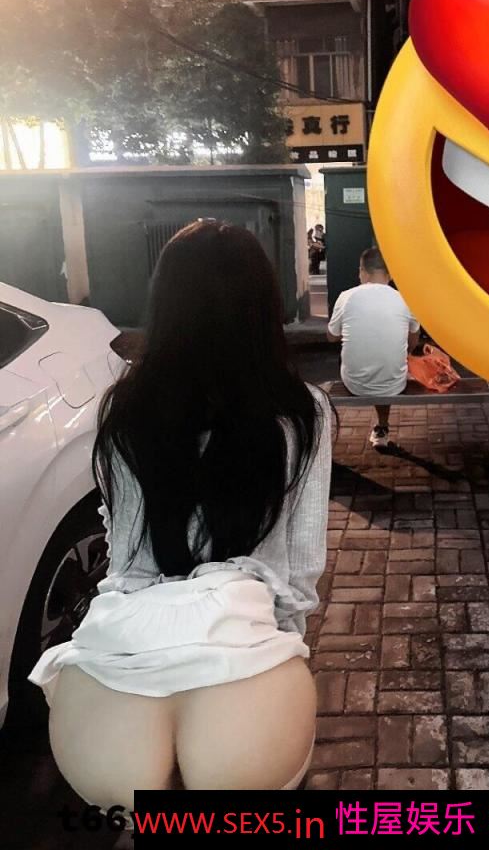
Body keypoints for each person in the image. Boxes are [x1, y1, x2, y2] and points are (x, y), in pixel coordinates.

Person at [28, 221, 333, 807]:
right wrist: (281, 664)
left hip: (111, 687)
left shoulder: (123, 410)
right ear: (263, 311)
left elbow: (124, 561)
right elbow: (297, 581)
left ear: (164, 306)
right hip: (246, 680)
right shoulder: (303, 414)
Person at [327, 247, 420, 449]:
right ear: (390, 274)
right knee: (387, 360)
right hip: (394, 383)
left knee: (350, 351)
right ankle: (382, 428)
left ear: (363, 271)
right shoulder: (405, 298)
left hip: (355, 383)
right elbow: (414, 338)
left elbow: (331, 337)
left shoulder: (346, 296)